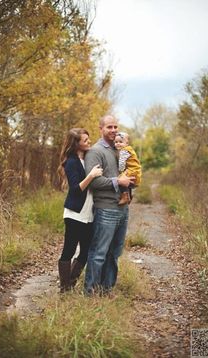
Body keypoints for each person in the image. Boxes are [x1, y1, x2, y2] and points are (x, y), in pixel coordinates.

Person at [84, 115, 135, 295]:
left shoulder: (121, 150)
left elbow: (128, 173)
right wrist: (118, 182)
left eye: (115, 127)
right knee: (99, 252)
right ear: (101, 129)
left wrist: (131, 182)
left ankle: (107, 290)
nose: (113, 130)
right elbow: (93, 182)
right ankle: (90, 292)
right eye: (109, 127)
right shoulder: (95, 152)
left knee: (114, 254)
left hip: (123, 208)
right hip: (106, 209)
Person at [57, 128, 103, 293]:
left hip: (89, 215)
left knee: (85, 252)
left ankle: (70, 284)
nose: (89, 142)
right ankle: (65, 289)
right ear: (76, 144)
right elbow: (76, 189)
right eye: (85, 140)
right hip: (75, 214)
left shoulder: (89, 158)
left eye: (88, 139)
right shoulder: (71, 162)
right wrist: (91, 175)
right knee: (68, 251)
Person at [114, 132, 142, 205]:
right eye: (116, 142)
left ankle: (125, 196)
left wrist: (120, 170)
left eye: (120, 142)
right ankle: (130, 195)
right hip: (135, 169)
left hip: (131, 169)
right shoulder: (129, 149)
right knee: (128, 182)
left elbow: (122, 162)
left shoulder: (124, 151)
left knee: (121, 179)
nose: (118, 143)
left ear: (126, 143)